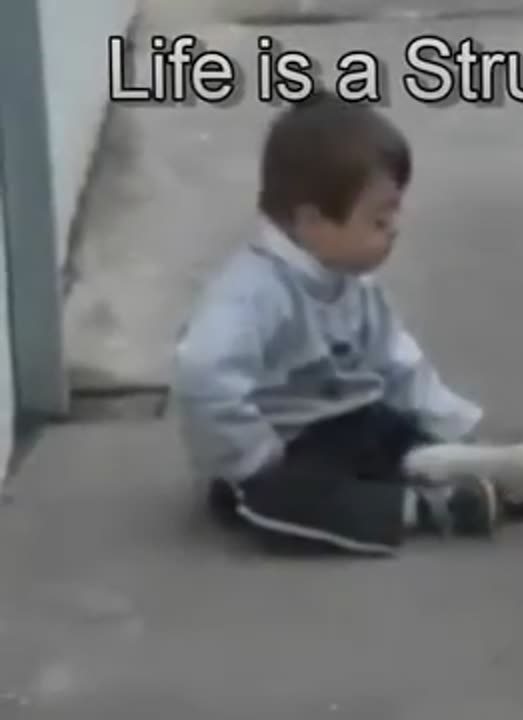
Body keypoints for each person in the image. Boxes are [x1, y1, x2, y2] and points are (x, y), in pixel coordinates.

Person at [172, 89, 501, 555]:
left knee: (400, 430)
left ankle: (475, 475)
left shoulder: (351, 281)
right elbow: (203, 372)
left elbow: (398, 361)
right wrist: (252, 456)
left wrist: (458, 427)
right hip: (287, 448)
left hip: (346, 421)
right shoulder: (253, 294)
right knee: (292, 499)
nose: (395, 228)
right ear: (310, 222)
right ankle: (419, 509)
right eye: (379, 219)